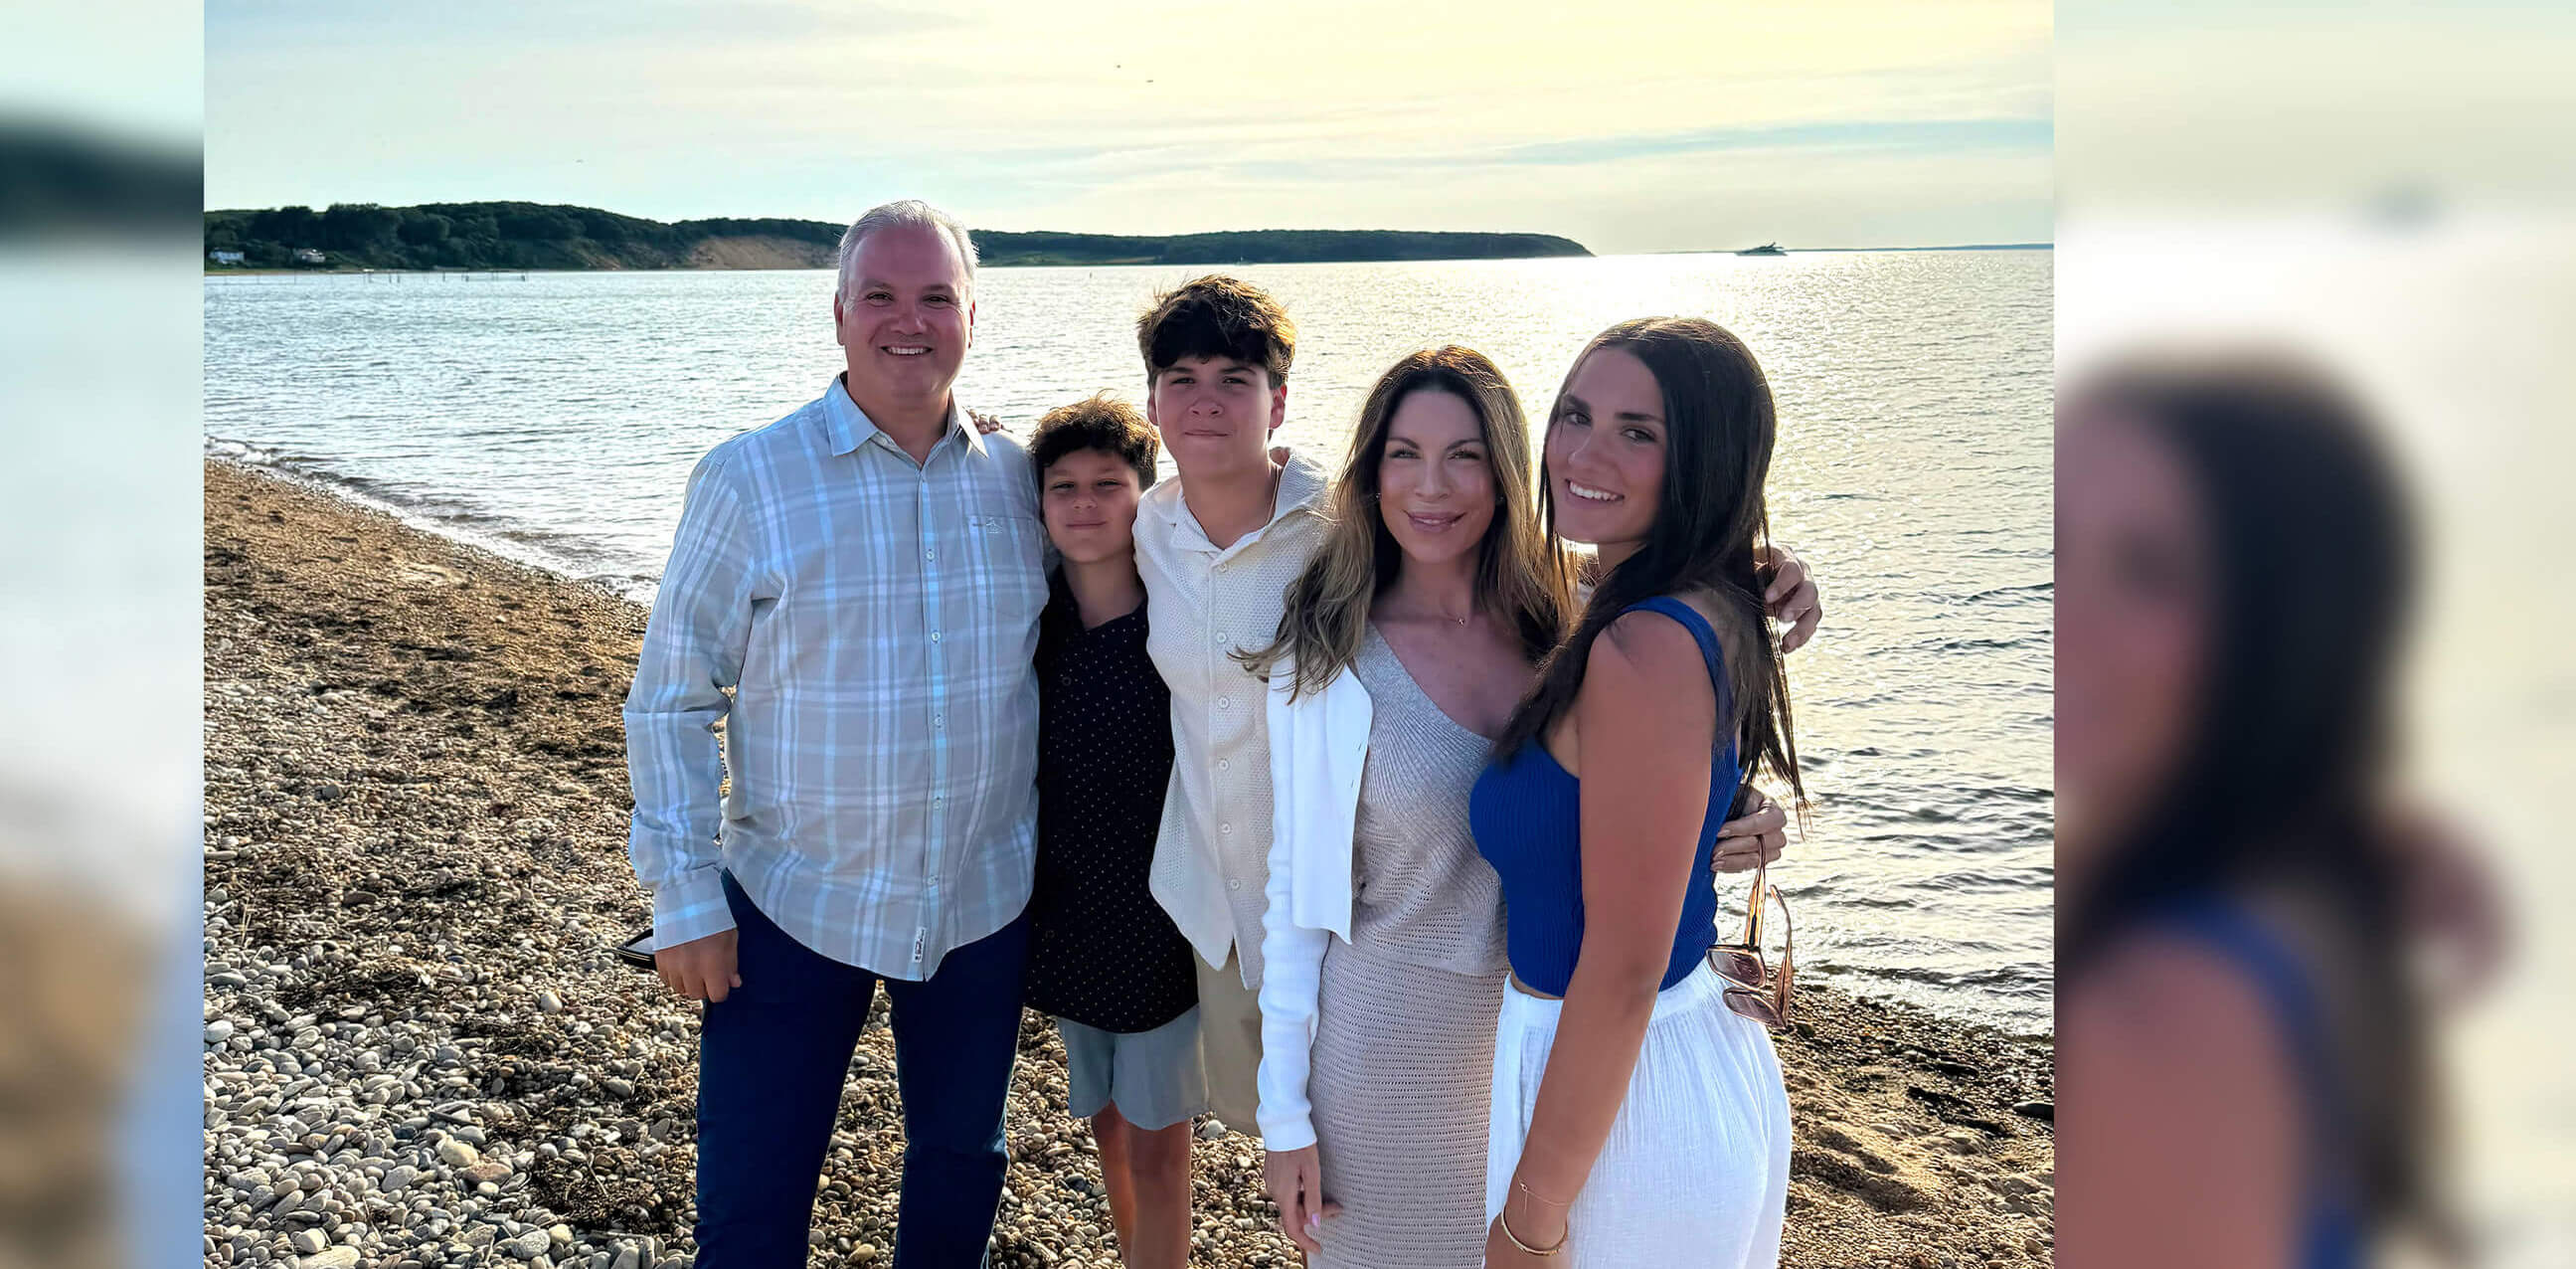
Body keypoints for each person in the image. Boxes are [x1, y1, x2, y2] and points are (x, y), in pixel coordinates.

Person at [1129, 277, 1821, 1148]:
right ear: (1151, 400)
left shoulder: (1491, 585)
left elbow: (1637, 679)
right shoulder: (1140, 527)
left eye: (1235, 377)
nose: (1429, 487)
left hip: (1515, 991)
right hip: (1273, 928)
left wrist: (1749, 572)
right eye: (1181, 379)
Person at [622, 199, 1045, 1268]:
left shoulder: (1020, 480)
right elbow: (672, 697)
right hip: (788, 903)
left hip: (978, 903)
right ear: (839, 314)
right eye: (882, 297)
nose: (910, 321)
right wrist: (683, 899)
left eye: (936, 297)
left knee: (959, 1170)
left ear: (972, 314)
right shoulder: (750, 478)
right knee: (753, 1198)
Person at [2057, 353, 2494, 1268]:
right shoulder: (2307, 893)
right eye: (2055, 546)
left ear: (2282, 618)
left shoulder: (2167, 1006)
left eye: (2150, 571)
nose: (2067, 616)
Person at [1470, 317, 1803, 1267]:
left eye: (1637, 432)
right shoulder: (1696, 606)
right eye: (1574, 414)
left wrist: (1530, 1224)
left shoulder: (1644, 645)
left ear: (1703, 459)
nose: (1582, 450)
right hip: (1645, 1061)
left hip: (1630, 1088)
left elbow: (1620, 963)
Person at [1242, 347, 1574, 1266]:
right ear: (1369, 470)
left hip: (1557, 1050)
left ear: (1506, 473)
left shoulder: (1576, 628)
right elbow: (1293, 894)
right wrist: (1283, 1117)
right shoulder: (1330, 656)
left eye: (1464, 455)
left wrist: (1739, 818)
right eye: (1404, 453)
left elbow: (1663, 783)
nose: (1432, 487)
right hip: (1386, 1052)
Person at [1019, 395, 1208, 1269]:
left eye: (1108, 483)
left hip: (1163, 922)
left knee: (1161, 1148)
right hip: (1062, 914)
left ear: (1147, 492)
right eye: (1064, 486)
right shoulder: (1034, 622)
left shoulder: (1180, 620)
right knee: (1103, 1125)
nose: (1085, 503)